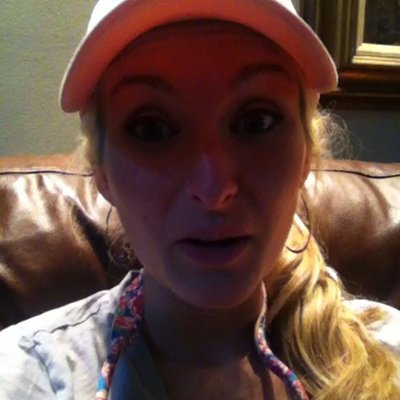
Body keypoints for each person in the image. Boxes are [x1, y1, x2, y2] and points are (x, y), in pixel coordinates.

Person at [0, 0, 399, 399]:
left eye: (255, 122)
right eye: (152, 129)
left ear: (306, 156)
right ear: (102, 172)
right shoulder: (28, 373)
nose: (213, 189)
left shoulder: (386, 351)